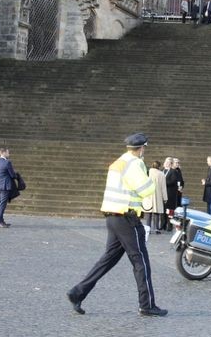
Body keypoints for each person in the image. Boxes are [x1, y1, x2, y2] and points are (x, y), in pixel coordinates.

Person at [67, 132, 166, 317]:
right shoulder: (135, 163)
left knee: (108, 260)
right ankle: (147, 305)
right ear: (142, 148)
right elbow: (146, 190)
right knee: (141, 262)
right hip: (127, 218)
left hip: (112, 217)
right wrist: (152, 179)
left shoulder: (118, 162)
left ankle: (78, 292)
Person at [0, 147, 18, 228]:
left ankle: (1, 220)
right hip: (4, 186)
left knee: (0, 203)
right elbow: (12, 175)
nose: (9, 154)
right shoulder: (7, 163)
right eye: (8, 152)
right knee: (2, 204)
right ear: (3, 153)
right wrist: (16, 176)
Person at [145, 160, 168, 234]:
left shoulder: (148, 173)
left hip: (148, 194)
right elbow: (163, 187)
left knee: (148, 212)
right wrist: (165, 198)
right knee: (156, 212)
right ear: (159, 166)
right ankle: (156, 228)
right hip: (157, 195)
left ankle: (147, 228)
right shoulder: (161, 174)